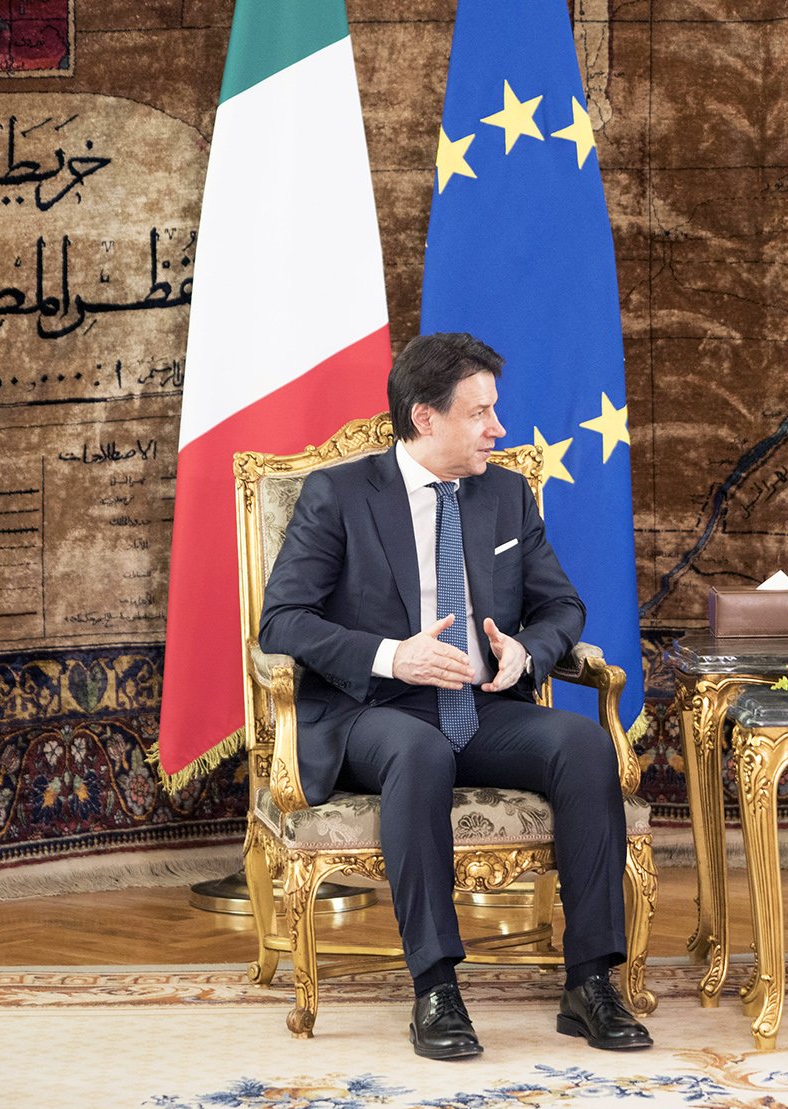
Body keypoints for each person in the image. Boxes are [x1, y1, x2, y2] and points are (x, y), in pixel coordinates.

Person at [259, 332, 651, 1060]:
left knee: (584, 744)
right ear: (425, 418)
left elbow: (564, 608)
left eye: (493, 411)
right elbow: (281, 619)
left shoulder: (505, 493)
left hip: (484, 708)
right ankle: (435, 988)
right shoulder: (340, 495)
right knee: (420, 749)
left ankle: (591, 981)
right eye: (480, 413)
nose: (498, 429)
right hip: (376, 714)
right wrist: (392, 655)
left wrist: (525, 650)